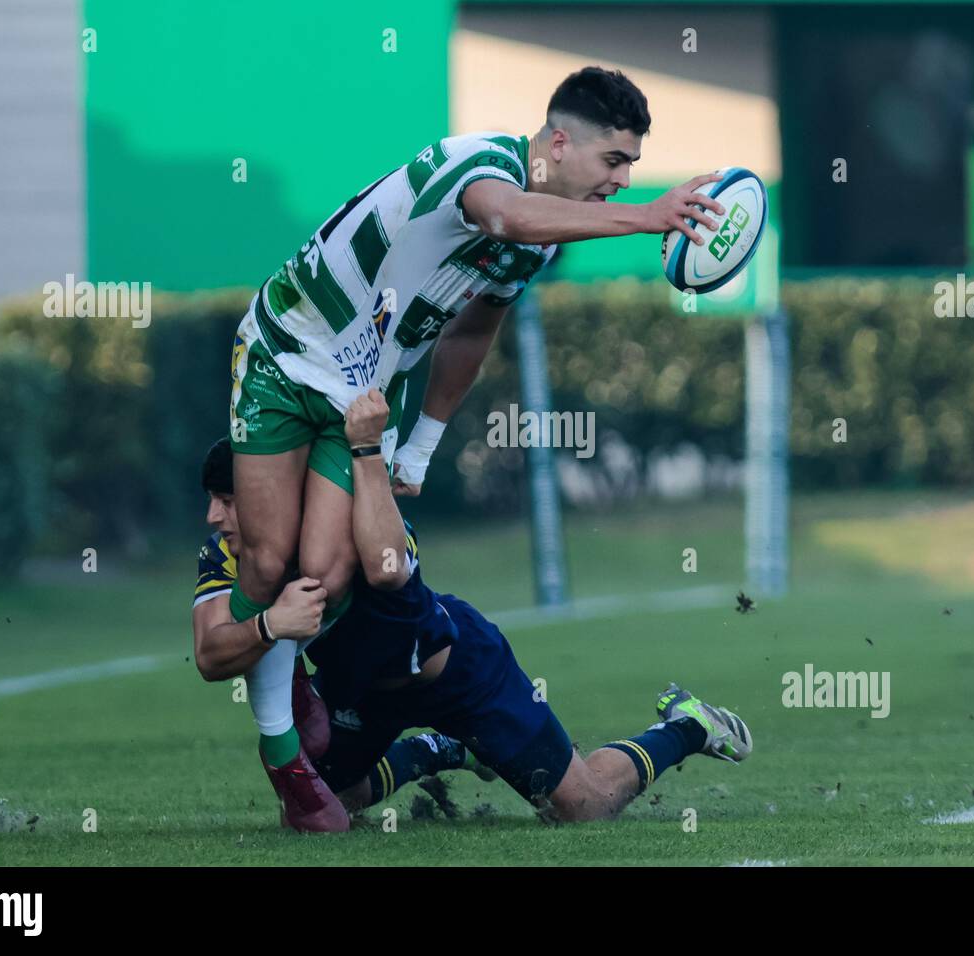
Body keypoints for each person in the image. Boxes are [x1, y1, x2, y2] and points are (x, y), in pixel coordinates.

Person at [224, 65, 730, 797]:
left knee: (328, 576)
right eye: (613, 161)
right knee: (268, 565)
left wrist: (424, 440)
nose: (622, 180)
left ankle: (313, 736)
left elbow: (472, 328)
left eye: (632, 168)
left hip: (366, 387)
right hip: (288, 346)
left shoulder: (538, 243)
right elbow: (504, 216)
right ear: (559, 142)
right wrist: (652, 215)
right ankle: (284, 723)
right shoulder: (479, 165)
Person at [305, 390, 752, 822]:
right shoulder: (268, 547)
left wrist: (366, 448)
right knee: (329, 802)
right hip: (363, 688)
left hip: (459, 672)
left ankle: (687, 726)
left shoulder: (366, 516)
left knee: (584, 807)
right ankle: (438, 748)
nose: (230, 518)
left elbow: (387, 568)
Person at [192, 437, 492, 832]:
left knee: (582, 802)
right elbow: (210, 657)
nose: (213, 516)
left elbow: (391, 577)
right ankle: (436, 751)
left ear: (268, 496)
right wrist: (268, 626)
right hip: (353, 685)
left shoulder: (356, 525)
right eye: (212, 499)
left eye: (227, 500)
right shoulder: (222, 555)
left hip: (442, 660)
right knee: (320, 804)